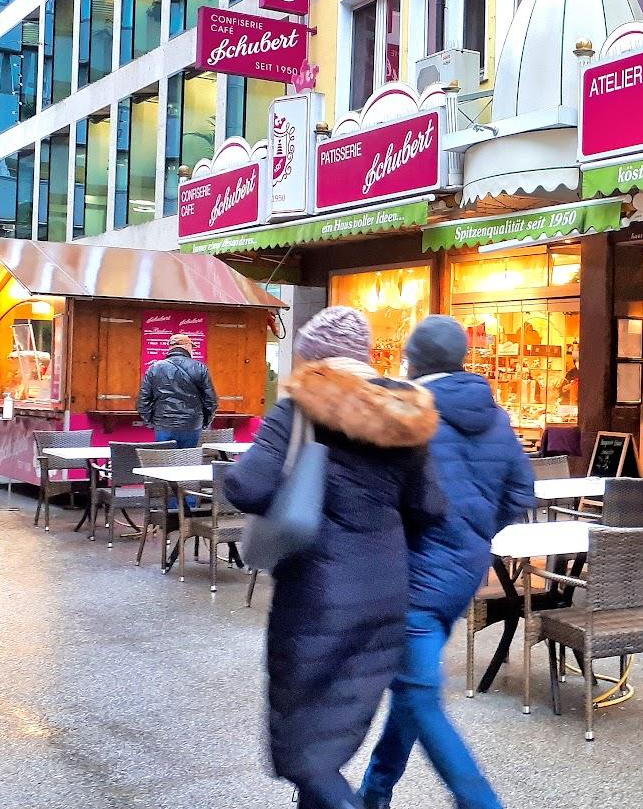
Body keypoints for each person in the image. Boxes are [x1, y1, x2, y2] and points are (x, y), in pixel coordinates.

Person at [224, 307, 444, 809]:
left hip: (316, 593)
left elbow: (248, 485)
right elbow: (431, 505)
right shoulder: (406, 413)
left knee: (305, 745)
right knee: (331, 730)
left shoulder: (300, 406)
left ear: (316, 357)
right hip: (386, 588)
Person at [360, 315, 535, 809]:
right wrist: (474, 534)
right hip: (461, 573)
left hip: (412, 573)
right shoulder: (495, 416)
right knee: (412, 689)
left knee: (419, 695)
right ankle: (374, 794)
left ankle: (480, 803)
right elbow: (520, 491)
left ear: (412, 360)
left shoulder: (406, 413)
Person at [136, 333, 218, 448]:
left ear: (171, 347)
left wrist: (153, 423)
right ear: (187, 346)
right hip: (192, 424)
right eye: (192, 347)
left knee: (164, 462)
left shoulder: (155, 368)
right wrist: (203, 422)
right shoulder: (199, 367)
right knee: (189, 463)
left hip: (164, 424)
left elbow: (142, 402)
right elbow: (211, 402)